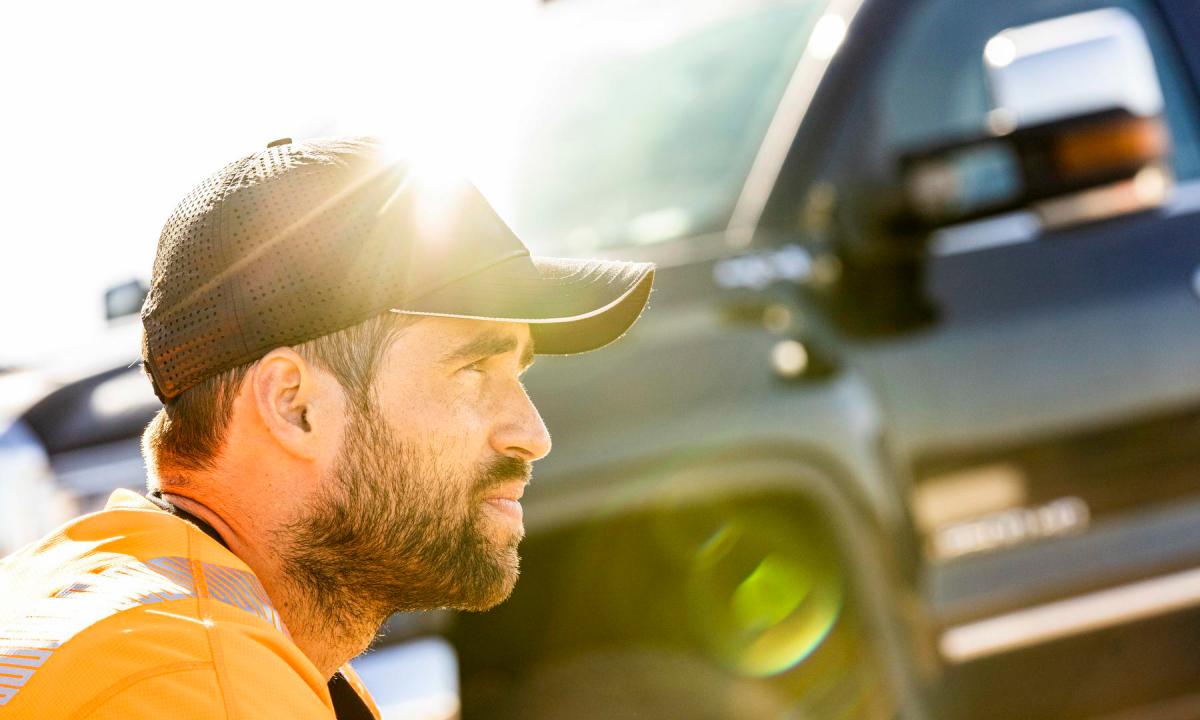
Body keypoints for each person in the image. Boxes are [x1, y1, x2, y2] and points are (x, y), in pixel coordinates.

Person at [0, 137, 654, 719]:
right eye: (473, 368)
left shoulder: (115, 607)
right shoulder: (194, 682)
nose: (531, 434)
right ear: (295, 405)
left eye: (518, 373)